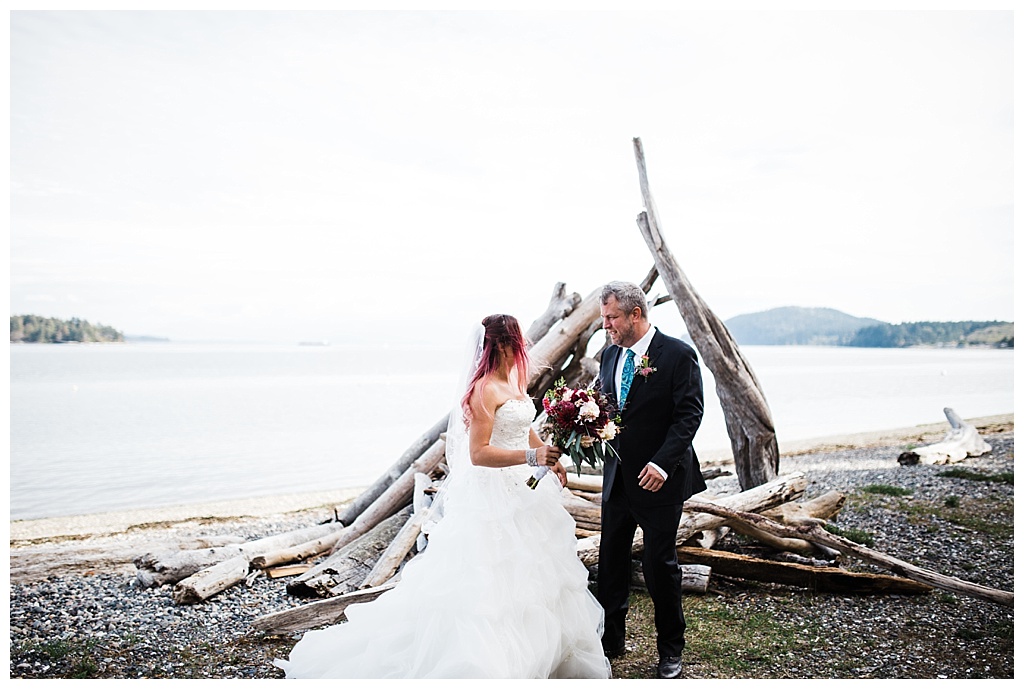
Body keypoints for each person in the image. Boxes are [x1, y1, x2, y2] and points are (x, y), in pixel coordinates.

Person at [275, 314, 611, 679]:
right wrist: (532, 458)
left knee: (536, 577)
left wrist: (545, 452)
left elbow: (521, 426)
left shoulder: (512, 380)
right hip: (493, 497)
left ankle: (545, 655)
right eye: (518, 339)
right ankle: (489, 663)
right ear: (500, 344)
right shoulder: (483, 389)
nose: (524, 346)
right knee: (492, 584)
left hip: (525, 491)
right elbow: (479, 453)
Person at [596, 281, 705, 680]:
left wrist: (662, 464)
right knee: (611, 564)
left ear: (635, 314)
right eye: (604, 317)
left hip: (660, 480)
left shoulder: (677, 355)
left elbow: (689, 415)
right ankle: (612, 642)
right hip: (617, 480)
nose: (605, 325)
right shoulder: (609, 355)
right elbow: (606, 410)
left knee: (660, 566)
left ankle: (670, 651)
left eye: (611, 318)